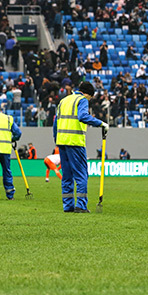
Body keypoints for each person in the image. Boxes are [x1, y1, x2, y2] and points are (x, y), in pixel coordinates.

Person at [54, 81, 109, 213]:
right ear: (88, 94)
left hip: (62, 142)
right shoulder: (82, 100)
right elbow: (83, 116)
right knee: (81, 175)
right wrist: (101, 124)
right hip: (75, 142)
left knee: (67, 176)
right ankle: (81, 206)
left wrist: (57, 139)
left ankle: (68, 206)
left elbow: (56, 122)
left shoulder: (64, 100)